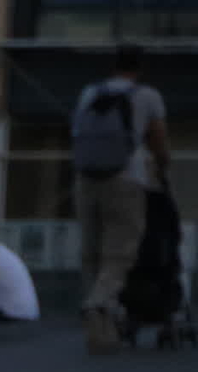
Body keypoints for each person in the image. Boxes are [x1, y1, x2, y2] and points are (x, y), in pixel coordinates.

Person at [73, 42, 171, 351]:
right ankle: (99, 304)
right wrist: (162, 168)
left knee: (92, 250)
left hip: (86, 179)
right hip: (126, 180)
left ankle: (100, 331)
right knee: (120, 253)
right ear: (140, 68)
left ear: (113, 66)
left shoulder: (90, 93)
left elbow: (76, 133)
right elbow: (158, 139)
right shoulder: (147, 95)